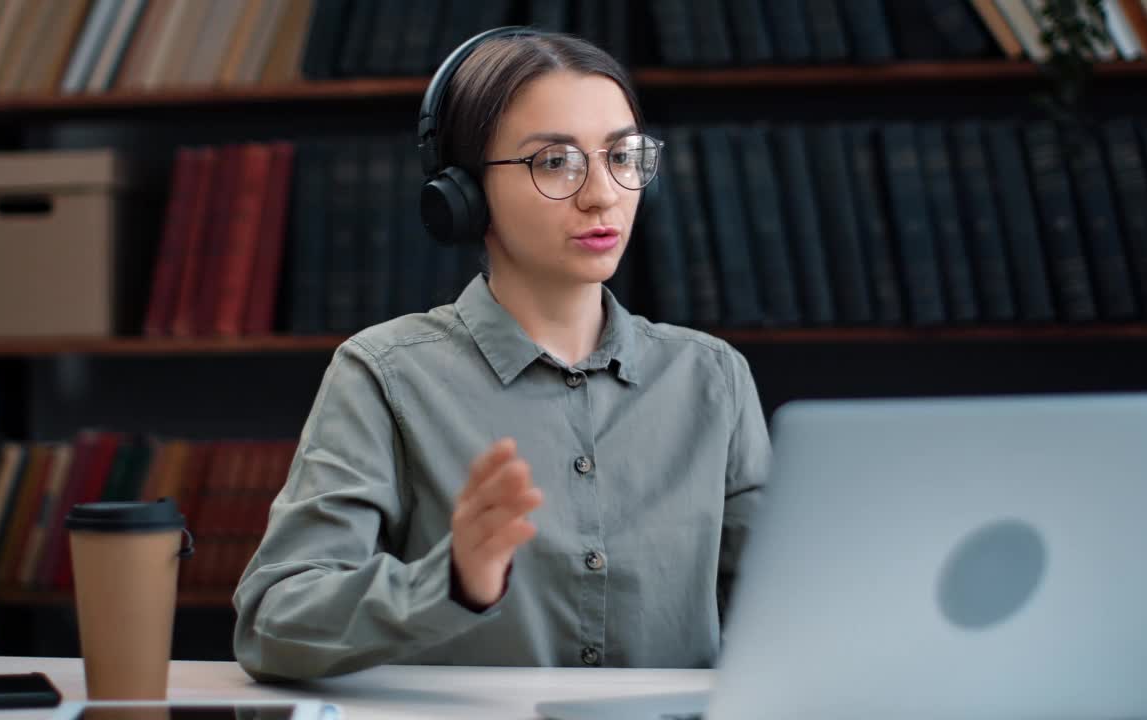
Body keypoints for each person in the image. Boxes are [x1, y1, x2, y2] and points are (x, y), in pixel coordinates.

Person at [232, 28, 770, 682]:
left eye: (622, 157)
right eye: (555, 163)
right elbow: (271, 621)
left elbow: (782, 610)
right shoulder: (386, 373)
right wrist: (451, 582)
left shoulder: (712, 377)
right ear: (462, 193)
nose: (602, 194)